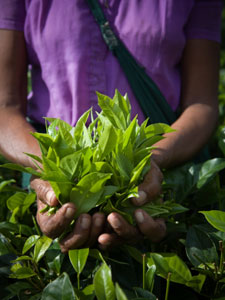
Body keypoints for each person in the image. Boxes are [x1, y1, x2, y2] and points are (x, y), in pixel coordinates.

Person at [0, 0, 222, 252]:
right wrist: (52, 172)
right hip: (55, 178)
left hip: (157, 180)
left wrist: (150, 162)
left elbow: (202, 104)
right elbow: (4, 108)